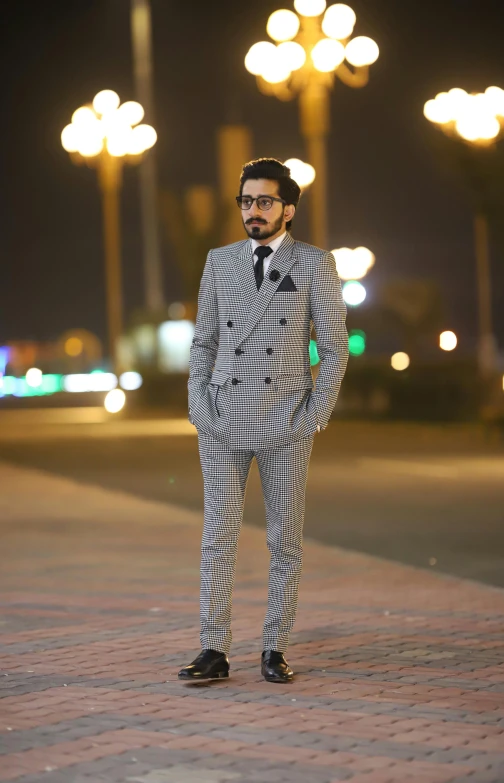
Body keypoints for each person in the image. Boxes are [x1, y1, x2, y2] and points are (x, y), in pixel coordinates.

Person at [178, 158, 348, 684]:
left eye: (265, 202)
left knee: (285, 539)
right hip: (223, 419)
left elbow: (336, 350)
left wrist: (311, 418)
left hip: (285, 421)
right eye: (246, 201)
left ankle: (274, 647)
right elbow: (204, 342)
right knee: (218, 535)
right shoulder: (219, 261)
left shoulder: (315, 264)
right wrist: (199, 408)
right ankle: (213, 649)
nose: (253, 211)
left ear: (288, 209)